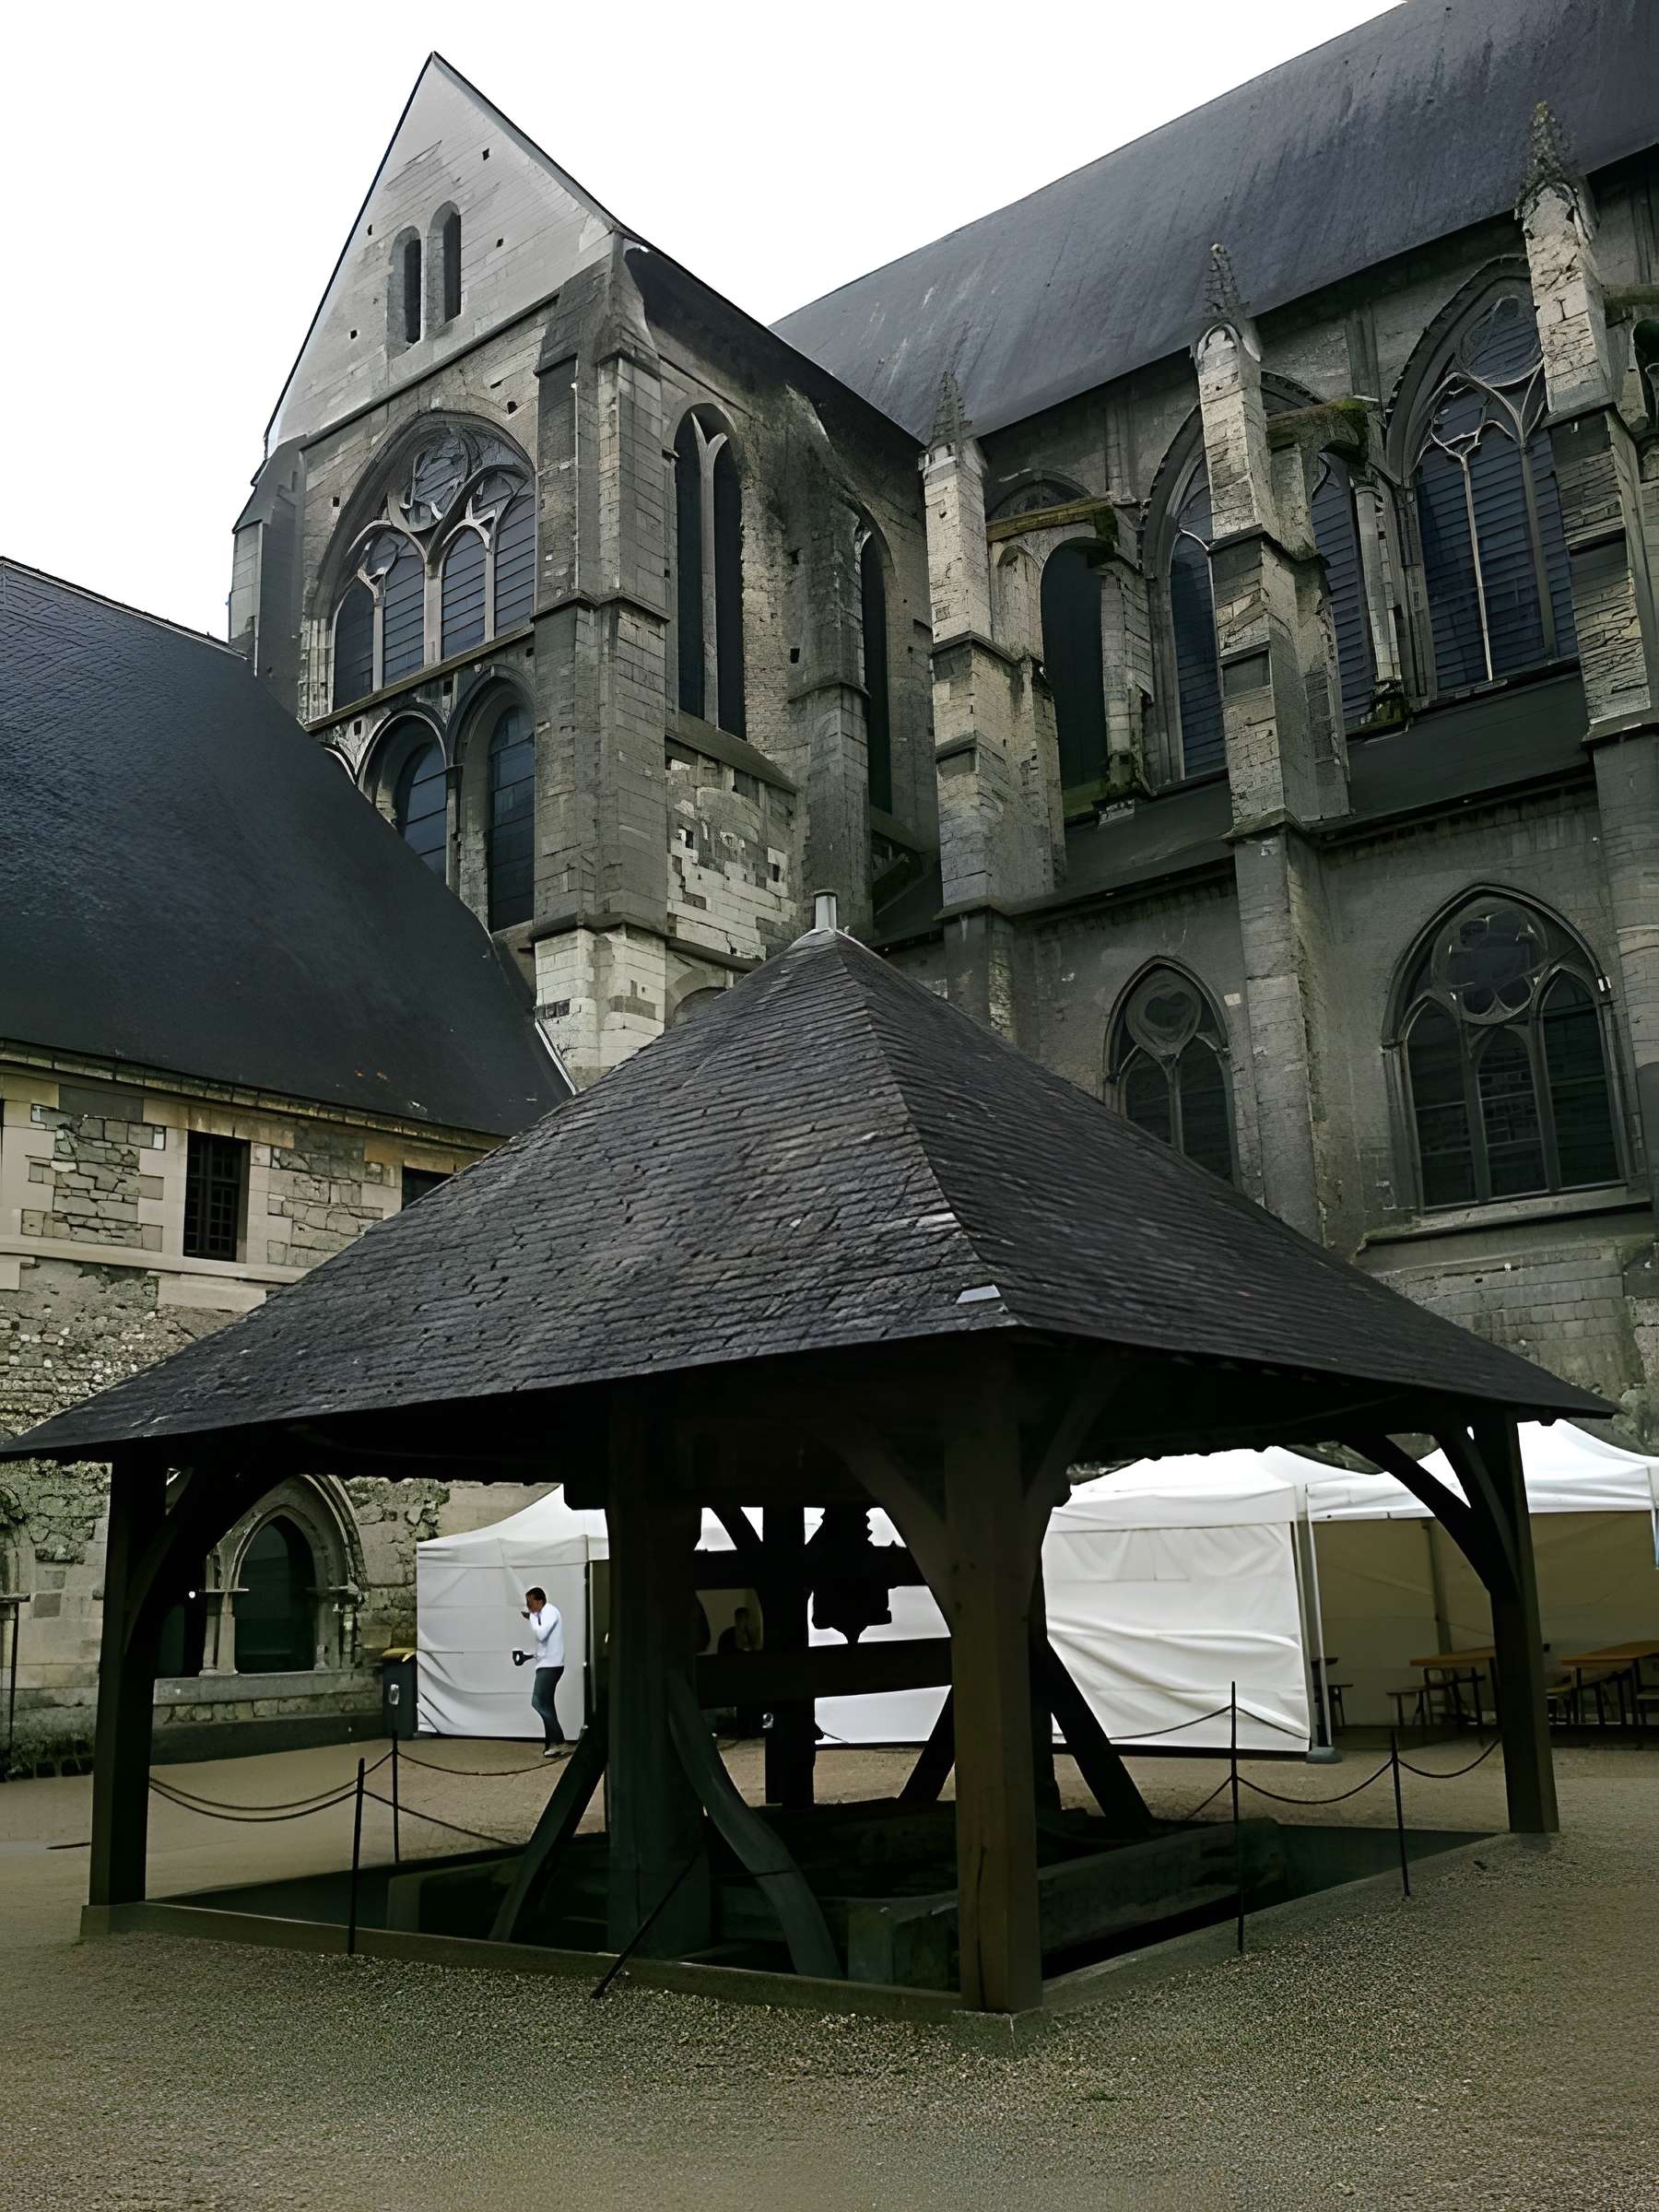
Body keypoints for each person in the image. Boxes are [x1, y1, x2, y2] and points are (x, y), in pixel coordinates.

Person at [518, 1585, 565, 1756]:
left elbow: (541, 1635)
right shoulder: (543, 1615)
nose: (528, 1607)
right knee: (547, 1704)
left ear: (540, 1601)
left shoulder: (549, 1611)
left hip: (550, 1666)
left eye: (530, 1603)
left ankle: (558, 1740)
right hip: (548, 1663)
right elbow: (546, 1642)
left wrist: (531, 1618)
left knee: (537, 1702)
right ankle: (551, 1745)